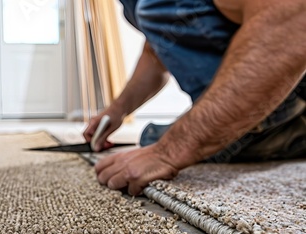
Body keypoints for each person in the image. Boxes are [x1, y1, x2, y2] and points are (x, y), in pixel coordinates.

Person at [84, 0, 306, 196]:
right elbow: (157, 51)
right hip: (266, 108)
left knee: (153, 141)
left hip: (284, 101)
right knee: (150, 140)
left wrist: (170, 151)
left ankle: (281, 127)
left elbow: (292, 18)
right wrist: (117, 110)